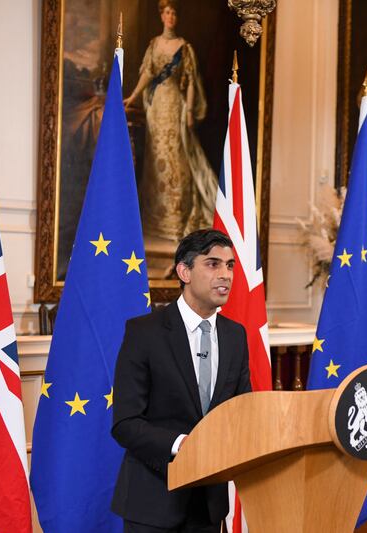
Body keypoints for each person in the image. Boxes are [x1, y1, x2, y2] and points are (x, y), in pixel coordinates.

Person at [111, 229, 251, 532]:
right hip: (152, 504)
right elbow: (125, 423)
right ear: (184, 272)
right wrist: (184, 445)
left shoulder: (235, 336)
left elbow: (243, 413)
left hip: (209, 507)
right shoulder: (144, 333)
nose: (225, 275)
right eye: (213, 264)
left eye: (230, 266)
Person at [124, 0, 217, 244]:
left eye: (174, 13)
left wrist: (188, 113)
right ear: (161, 16)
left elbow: (189, 81)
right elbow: (148, 73)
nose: (171, 17)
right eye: (167, 12)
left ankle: (176, 218)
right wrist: (133, 96)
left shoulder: (184, 48)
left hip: (175, 106)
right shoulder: (154, 44)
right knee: (156, 159)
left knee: (177, 159)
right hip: (156, 108)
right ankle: (156, 220)